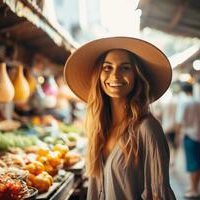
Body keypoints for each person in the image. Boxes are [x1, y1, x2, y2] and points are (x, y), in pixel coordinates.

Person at [64, 37, 176, 200]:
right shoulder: (100, 127)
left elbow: (158, 194)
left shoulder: (147, 129)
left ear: (137, 75)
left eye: (125, 68)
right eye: (107, 67)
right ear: (99, 75)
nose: (115, 75)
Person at [175, 82, 200, 199]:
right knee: (197, 162)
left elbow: (179, 121)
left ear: (183, 91)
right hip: (199, 135)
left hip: (189, 135)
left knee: (192, 164)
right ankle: (195, 186)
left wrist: (178, 136)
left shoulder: (184, 103)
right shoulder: (199, 101)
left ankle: (194, 190)